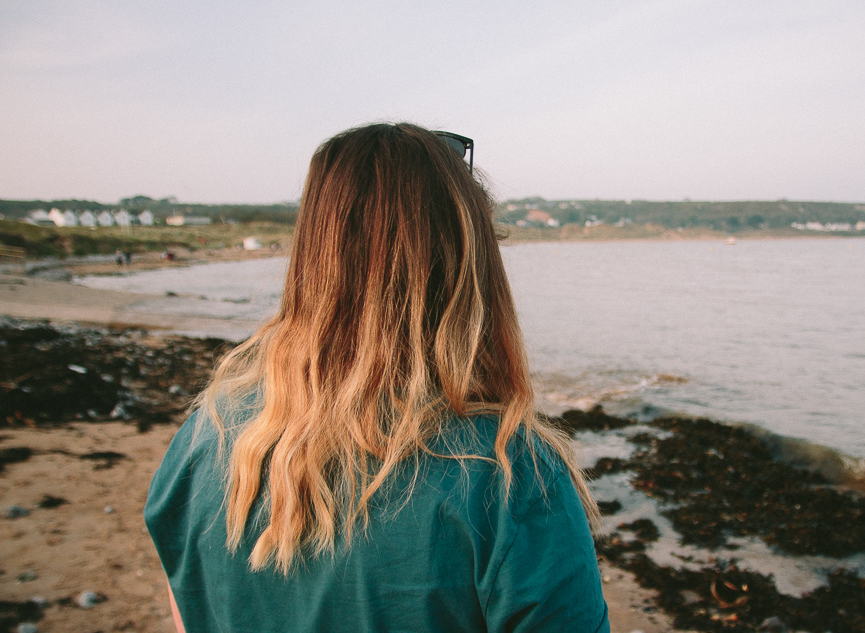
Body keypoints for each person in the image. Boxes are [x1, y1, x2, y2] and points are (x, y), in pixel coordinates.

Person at [145, 123, 610, 632]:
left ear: (313, 256)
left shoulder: (207, 432)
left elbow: (187, 611)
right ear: (470, 268)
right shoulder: (509, 476)